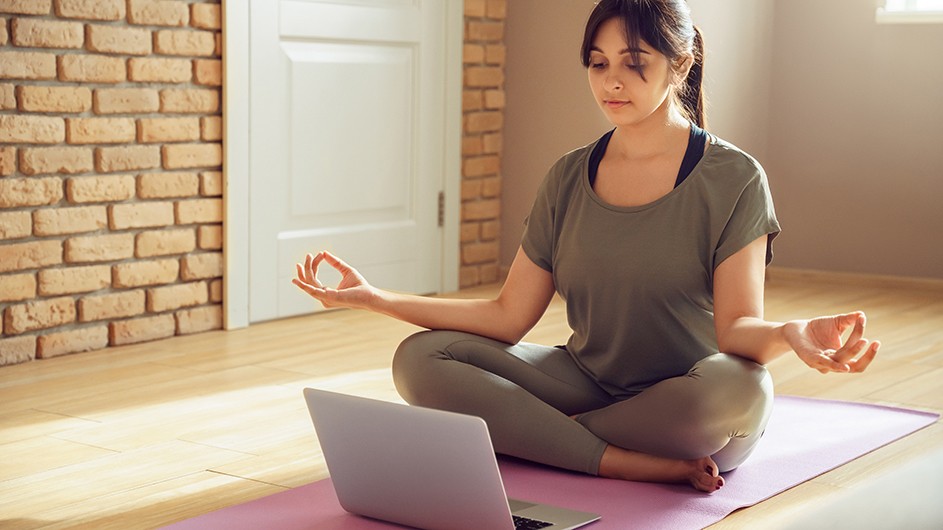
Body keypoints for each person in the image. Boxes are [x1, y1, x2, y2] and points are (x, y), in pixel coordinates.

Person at [293, 0, 880, 493]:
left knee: (741, 391)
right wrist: (373, 299)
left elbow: (735, 334)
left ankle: (539, 435)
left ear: (680, 65)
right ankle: (623, 461)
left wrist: (790, 334)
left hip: (687, 397)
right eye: (598, 64)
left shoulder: (734, 178)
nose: (612, 82)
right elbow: (507, 316)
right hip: (586, 377)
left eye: (633, 63)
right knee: (419, 359)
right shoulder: (568, 177)